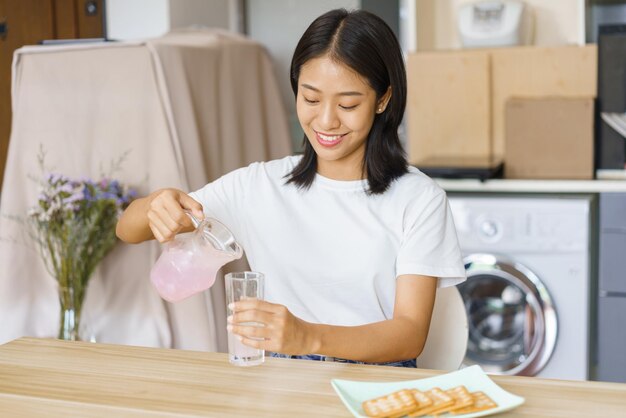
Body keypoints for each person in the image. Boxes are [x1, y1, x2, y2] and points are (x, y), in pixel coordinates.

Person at [116, 8, 465, 368]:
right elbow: (127, 230)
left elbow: (409, 335)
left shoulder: (418, 199)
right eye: (311, 99)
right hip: (284, 380)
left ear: (382, 99)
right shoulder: (259, 187)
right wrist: (156, 204)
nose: (326, 120)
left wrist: (305, 336)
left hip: (377, 385)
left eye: (348, 104)